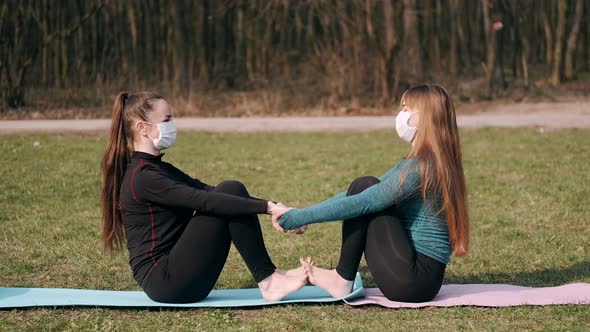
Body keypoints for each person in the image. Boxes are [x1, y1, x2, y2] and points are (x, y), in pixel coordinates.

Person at [100, 91, 307, 303]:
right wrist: (268, 208)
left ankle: (269, 275)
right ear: (142, 128)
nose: (173, 125)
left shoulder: (158, 169)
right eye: (167, 120)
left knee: (229, 191)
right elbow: (206, 201)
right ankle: (269, 281)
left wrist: (276, 208)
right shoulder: (142, 178)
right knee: (229, 190)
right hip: (166, 281)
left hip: (177, 275)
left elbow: (210, 192)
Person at [271, 84, 470, 302]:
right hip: (420, 279)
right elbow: (357, 195)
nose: (401, 115)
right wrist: (300, 213)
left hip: (414, 280)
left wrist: (297, 217)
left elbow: (365, 200)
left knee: (365, 188)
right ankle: (341, 278)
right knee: (364, 186)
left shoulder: (422, 166)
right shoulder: (427, 161)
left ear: (426, 117)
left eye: (406, 109)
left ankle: (341, 279)